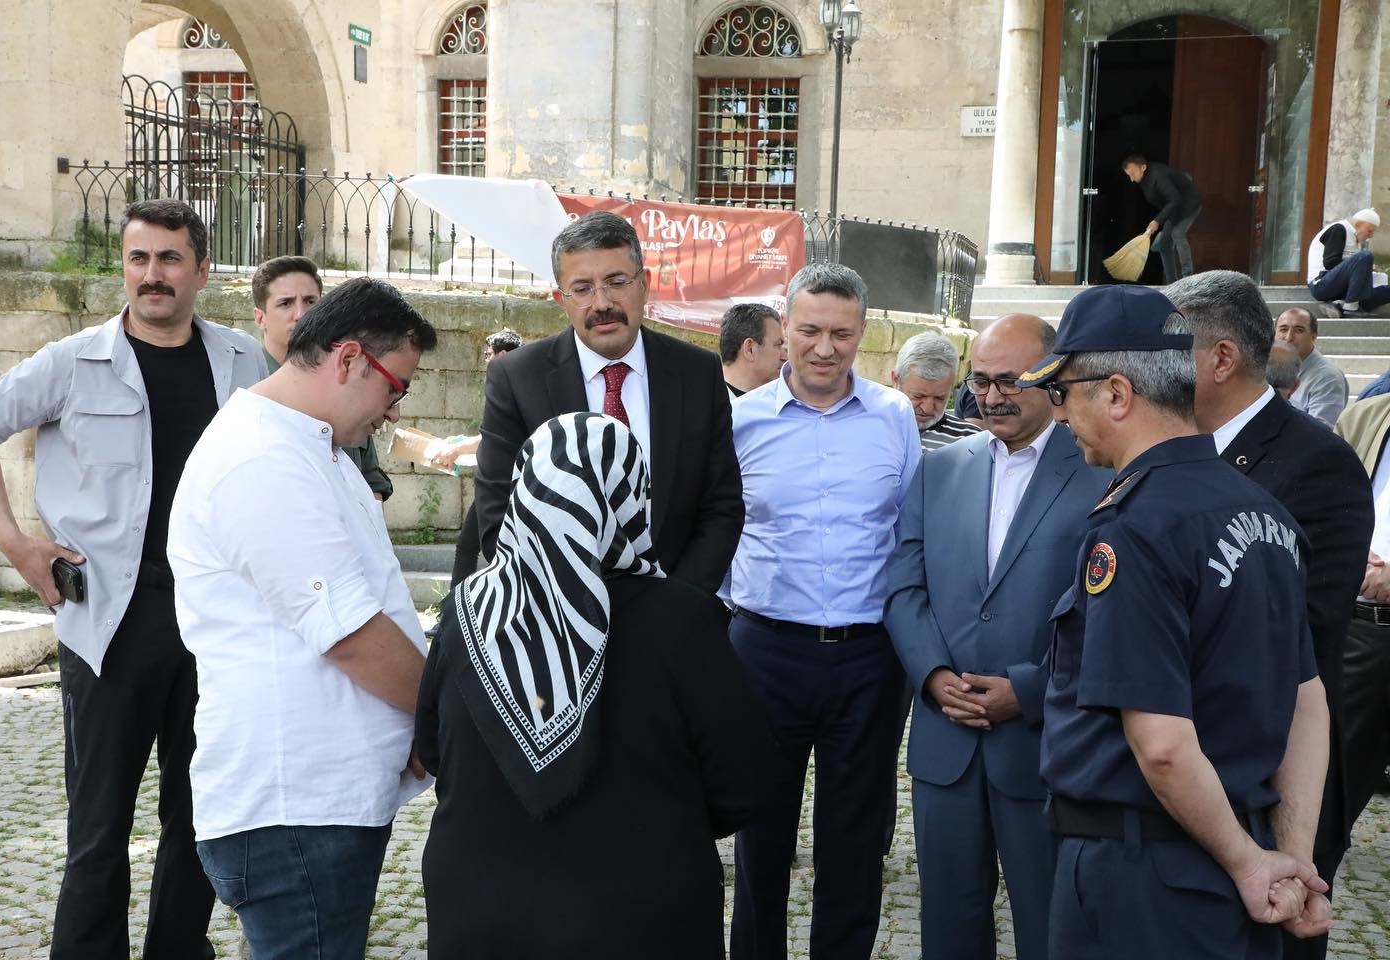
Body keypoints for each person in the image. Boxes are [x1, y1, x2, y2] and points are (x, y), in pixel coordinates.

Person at [0, 199, 265, 960]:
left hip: (217, 624)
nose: (152, 275)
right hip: (111, 625)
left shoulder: (245, 362)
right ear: (124, 266)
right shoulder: (72, 361)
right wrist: (15, 543)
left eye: (169, 259)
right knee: (98, 826)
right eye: (138, 259)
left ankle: (176, 951)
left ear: (202, 269)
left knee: (199, 817)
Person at [1019, 284, 1333, 958]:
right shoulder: (1266, 513)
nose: (1061, 416)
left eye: (1063, 393)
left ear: (1116, 394)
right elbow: (1306, 700)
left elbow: (1160, 742)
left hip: (1143, 874)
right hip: (1228, 863)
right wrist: (1287, 856)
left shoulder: (1135, 527)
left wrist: (1254, 864)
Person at [417, 412, 772, 959]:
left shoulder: (465, 613)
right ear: (629, 497)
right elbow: (740, 785)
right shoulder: (683, 620)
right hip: (643, 921)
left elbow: (435, 752)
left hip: (479, 916)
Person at [167, 277, 436, 959]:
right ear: (348, 360)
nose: (394, 410)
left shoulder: (314, 447)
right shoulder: (263, 456)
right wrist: (447, 722)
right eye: (394, 387)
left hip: (321, 801)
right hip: (295, 806)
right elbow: (351, 636)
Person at [883, 313, 1110, 960]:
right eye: (981, 381)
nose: (992, 396)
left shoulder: (1100, 470)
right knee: (949, 925)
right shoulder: (941, 467)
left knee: (1051, 926)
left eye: (1010, 380)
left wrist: (1030, 690)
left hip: (1045, 743)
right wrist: (931, 675)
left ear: (1055, 376)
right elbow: (904, 583)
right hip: (944, 741)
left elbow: (1109, 610)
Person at [1169, 270, 1374, 960]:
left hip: (1268, 779)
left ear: (1221, 358)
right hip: (1175, 777)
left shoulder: (1318, 464)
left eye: (1170, 352)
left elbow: (1300, 644)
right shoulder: (1165, 449)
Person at [727, 262, 919, 960]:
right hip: (764, 652)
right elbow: (719, 533)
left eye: (841, 333)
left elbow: (909, 533)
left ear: (862, 334)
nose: (824, 348)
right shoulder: (741, 421)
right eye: (808, 330)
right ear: (784, 328)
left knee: (855, 838)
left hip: (870, 657)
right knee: (761, 834)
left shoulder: (895, 418)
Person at [475, 211, 743, 595]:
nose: (602, 303)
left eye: (617, 282)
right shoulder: (517, 379)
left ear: (644, 284)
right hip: (560, 623)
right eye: (582, 288)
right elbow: (498, 516)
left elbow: (723, 506)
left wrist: (674, 604)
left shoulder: (698, 373)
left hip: (673, 615)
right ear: (560, 299)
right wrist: (573, 605)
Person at [252, 255, 393, 500]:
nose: (301, 314)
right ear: (260, 318)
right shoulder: (248, 387)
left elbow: (372, 478)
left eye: (310, 301)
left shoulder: (344, 381)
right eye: (285, 303)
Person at [1332, 396, 1390, 843]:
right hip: (1364, 629)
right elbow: (1326, 504)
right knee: (1335, 780)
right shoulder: (1366, 416)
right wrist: (1349, 550)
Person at [429, 328, 522, 587]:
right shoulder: (517, 382)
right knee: (471, 547)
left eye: (488, 354)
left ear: (502, 355)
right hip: (498, 483)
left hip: (506, 486)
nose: (485, 360)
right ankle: (457, 614)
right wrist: (459, 444)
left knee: (477, 549)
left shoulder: (515, 386)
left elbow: (496, 437)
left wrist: (458, 449)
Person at [890, 330, 981, 450]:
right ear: (896, 380)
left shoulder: (971, 441)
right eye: (918, 396)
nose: (928, 408)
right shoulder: (866, 425)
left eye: (940, 398)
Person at [1122, 153, 1203, 283]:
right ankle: (1172, 283)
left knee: (1177, 234)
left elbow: (1175, 198)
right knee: (1165, 243)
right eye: (1129, 176)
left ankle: (1188, 279)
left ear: (1143, 167)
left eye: (1133, 174)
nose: (1131, 179)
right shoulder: (1144, 179)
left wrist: (1158, 220)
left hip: (1189, 203)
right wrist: (1161, 221)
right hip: (1174, 208)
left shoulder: (1157, 176)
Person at [1307, 208, 1390, 316]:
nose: (1371, 236)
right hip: (1321, 284)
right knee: (1365, 256)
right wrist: (1359, 265)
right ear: (1358, 224)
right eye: (1369, 231)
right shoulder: (1338, 229)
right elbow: (1330, 263)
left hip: (1342, 288)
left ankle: (1339, 304)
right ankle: (1350, 309)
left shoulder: (1356, 239)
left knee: (1386, 290)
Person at [1276, 307, 1349, 426]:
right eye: (1283, 330)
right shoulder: (1268, 367)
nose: (1289, 337)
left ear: (1313, 336)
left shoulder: (1328, 379)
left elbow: (1321, 433)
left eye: (1299, 330)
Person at [720, 302, 786, 398]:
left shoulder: (776, 404)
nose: (785, 357)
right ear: (750, 349)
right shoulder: (704, 405)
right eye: (778, 345)